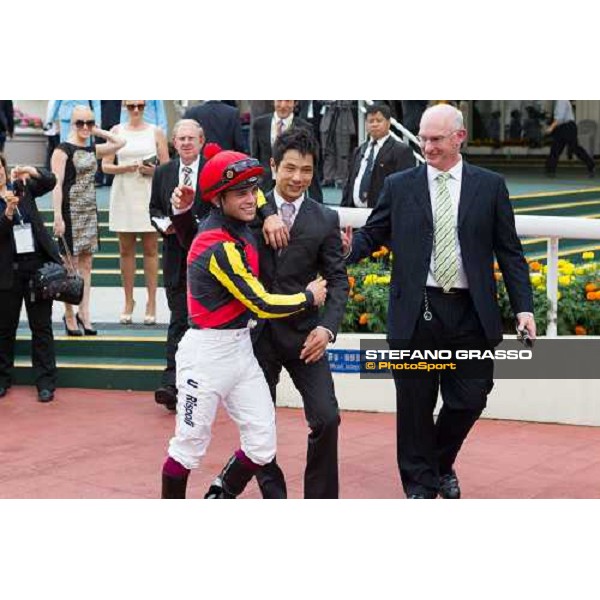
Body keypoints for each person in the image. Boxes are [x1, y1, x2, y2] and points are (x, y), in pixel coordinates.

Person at [342, 104, 536, 499]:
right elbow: (373, 234)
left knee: (469, 398)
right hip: (416, 310)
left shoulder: (490, 186)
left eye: (435, 139)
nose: (426, 147)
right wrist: (346, 251)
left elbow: (509, 252)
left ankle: (438, 464)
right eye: (423, 138)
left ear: (459, 137)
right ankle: (420, 485)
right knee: (415, 406)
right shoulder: (400, 185)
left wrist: (524, 308)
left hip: (470, 313)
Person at [175, 128, 349, 499]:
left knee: (327, 418)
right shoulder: (245, 208)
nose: (298, 178)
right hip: (255, 340)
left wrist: (328, 330)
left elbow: (337, 280)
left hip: (306, 339)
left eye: (306, 169)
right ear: (273, 167)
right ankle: (275, 496)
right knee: (259, 427)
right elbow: (199, 239)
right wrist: (184, 210)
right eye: (290, 168)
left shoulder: (324, 218)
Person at [51, 105, 126, 336]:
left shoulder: (93, 148)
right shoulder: (62, 150)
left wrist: (97, 131)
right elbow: (56, 185)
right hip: (70, 210)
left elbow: (120, 143)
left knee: (86, 265)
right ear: (71, 124)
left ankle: (85, 313)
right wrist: (57, 217)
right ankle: (70, 314)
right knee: (70, 266)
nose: (84, 127)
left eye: (89, 122)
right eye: (80, 123)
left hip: (89, 211)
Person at [149, 119, 208, 411]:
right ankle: (170, 383)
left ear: (201, 141)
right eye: (181, 138)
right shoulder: (163, 173)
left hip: (207, 260)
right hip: (174, 258)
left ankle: (200, 383)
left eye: (190, 138)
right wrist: (165, 226)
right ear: (174, 142)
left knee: (201, 323)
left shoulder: (212, 170)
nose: (185, 143)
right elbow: (154, 210)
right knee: (178, 321)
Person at [102, 100, 169, 325]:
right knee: (125, 250)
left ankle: (151, 301)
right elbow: (105, 166)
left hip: (148, 192)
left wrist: (152, 170)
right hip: (123, 192)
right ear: (124, 107)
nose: (136, 110)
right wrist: (126, 168)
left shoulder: (156, 131)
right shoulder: (116, 131)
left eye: (140, 105)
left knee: (151, 249)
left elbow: (167, 167)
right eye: (131, 106)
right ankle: (128, 301)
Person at [0, 156, 59, 402]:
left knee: (41, 327)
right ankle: (2, 379)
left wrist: (30, 170)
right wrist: (9, 211)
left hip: (36, 269)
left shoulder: (22, 187)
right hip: (7, 272)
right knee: (4, 329)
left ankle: (45, 382)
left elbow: (50, 181)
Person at [341, 103, 416, 208]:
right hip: (354, 214)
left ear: (389, 123)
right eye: (370, 121)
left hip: (383, 214)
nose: (374, 124)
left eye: (379, 121)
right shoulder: (359, 151)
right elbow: (349, 185)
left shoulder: (402, 151)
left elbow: (406, 188)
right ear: (366, 124)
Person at [251, 100, 323, 202]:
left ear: (295, 103)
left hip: (293, 186)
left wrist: (318, 202)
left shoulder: (305, 127)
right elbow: (255, 158)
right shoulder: (260, 124)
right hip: (265, 187)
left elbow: (311, 165)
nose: (283, 105)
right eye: (279, 100)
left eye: (288, 101)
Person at [546, 100, 595, 177]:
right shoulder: (558, 101)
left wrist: (551, 128)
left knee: (574, 148)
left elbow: (560, 118)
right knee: (555, 149)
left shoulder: (561, 100)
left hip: (568, 127)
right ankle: (550, 171)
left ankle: (591, 165)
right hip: (562, 127)